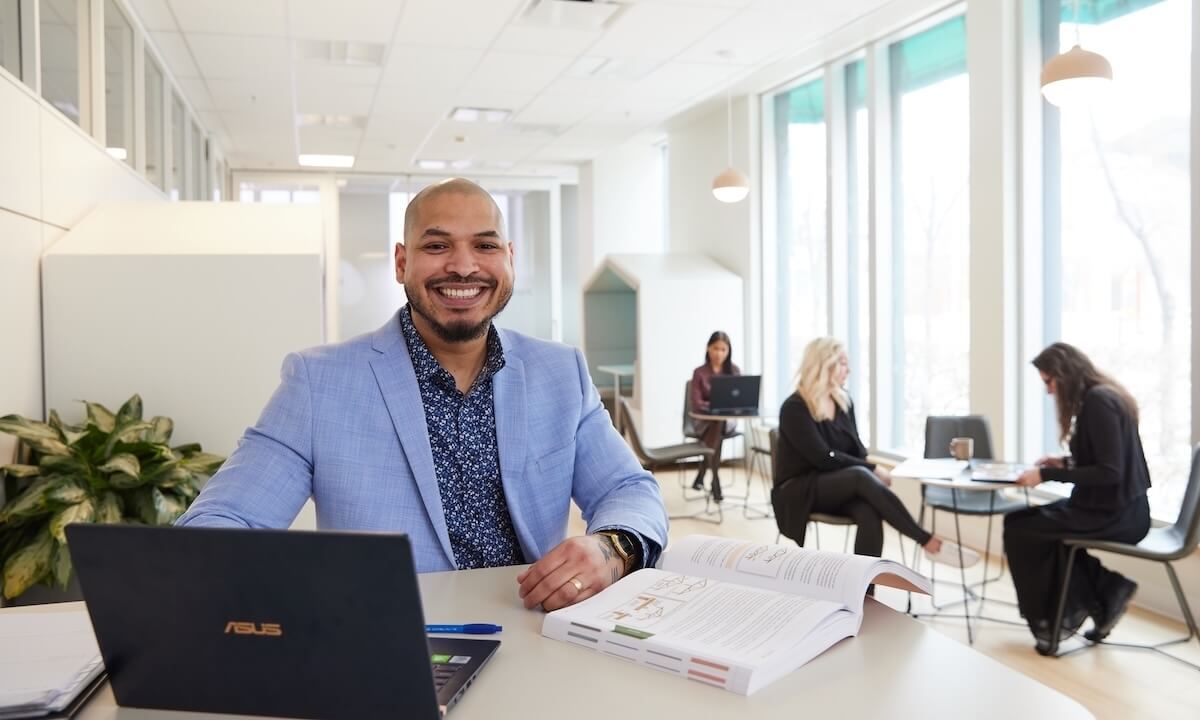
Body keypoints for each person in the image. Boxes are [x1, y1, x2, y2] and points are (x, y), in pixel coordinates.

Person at [177, 178, 669, 613]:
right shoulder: (319, 381)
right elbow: (225, 520)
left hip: (538, 638)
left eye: (485, 245)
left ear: (509, 260)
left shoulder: (559, 372)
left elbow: (628, 490)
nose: (463, 266)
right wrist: (300, 588)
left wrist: (610, 549)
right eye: (437, 246)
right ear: (401, 262)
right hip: (388, 646)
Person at [772, 337, 977, 569]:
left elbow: (857, 451)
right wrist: (872, 470)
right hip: (800, 490)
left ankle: (863, 594)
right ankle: (927, 541)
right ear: (824, 365)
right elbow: (822, 457)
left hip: (838, 486)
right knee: (860, 475)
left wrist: (868, 470)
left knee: (869, 513)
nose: (848, 370)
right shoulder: (794, 407)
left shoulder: (842, 401)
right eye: (842, 363)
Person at [1005, 343, 1151, 654]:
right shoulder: (1099, 397)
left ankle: (1052, 623)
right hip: (1109, 507)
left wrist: (1046, 476)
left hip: (1118, 515)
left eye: (1049, 382)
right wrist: (1063, 463)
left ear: (1064, 374)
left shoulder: (1098, 402)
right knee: (1019, 520)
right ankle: (1106, 592)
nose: (1048, 392)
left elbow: (1110, 472)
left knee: (1022, 531)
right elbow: (1103, 464)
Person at [688, 331, 739, 501]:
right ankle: (715, 480)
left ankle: (704, 474)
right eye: (716, 348)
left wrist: (724, 409)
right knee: (717, 425)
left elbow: (739, 399)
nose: (719, 353)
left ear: (728, 351)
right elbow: (696, 403)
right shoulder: (699, 372)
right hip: (704, 421)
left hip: (727, 421)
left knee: (720, 423)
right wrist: (716, 407)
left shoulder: (734, 370)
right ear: (709, 348)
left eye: (723, 349)